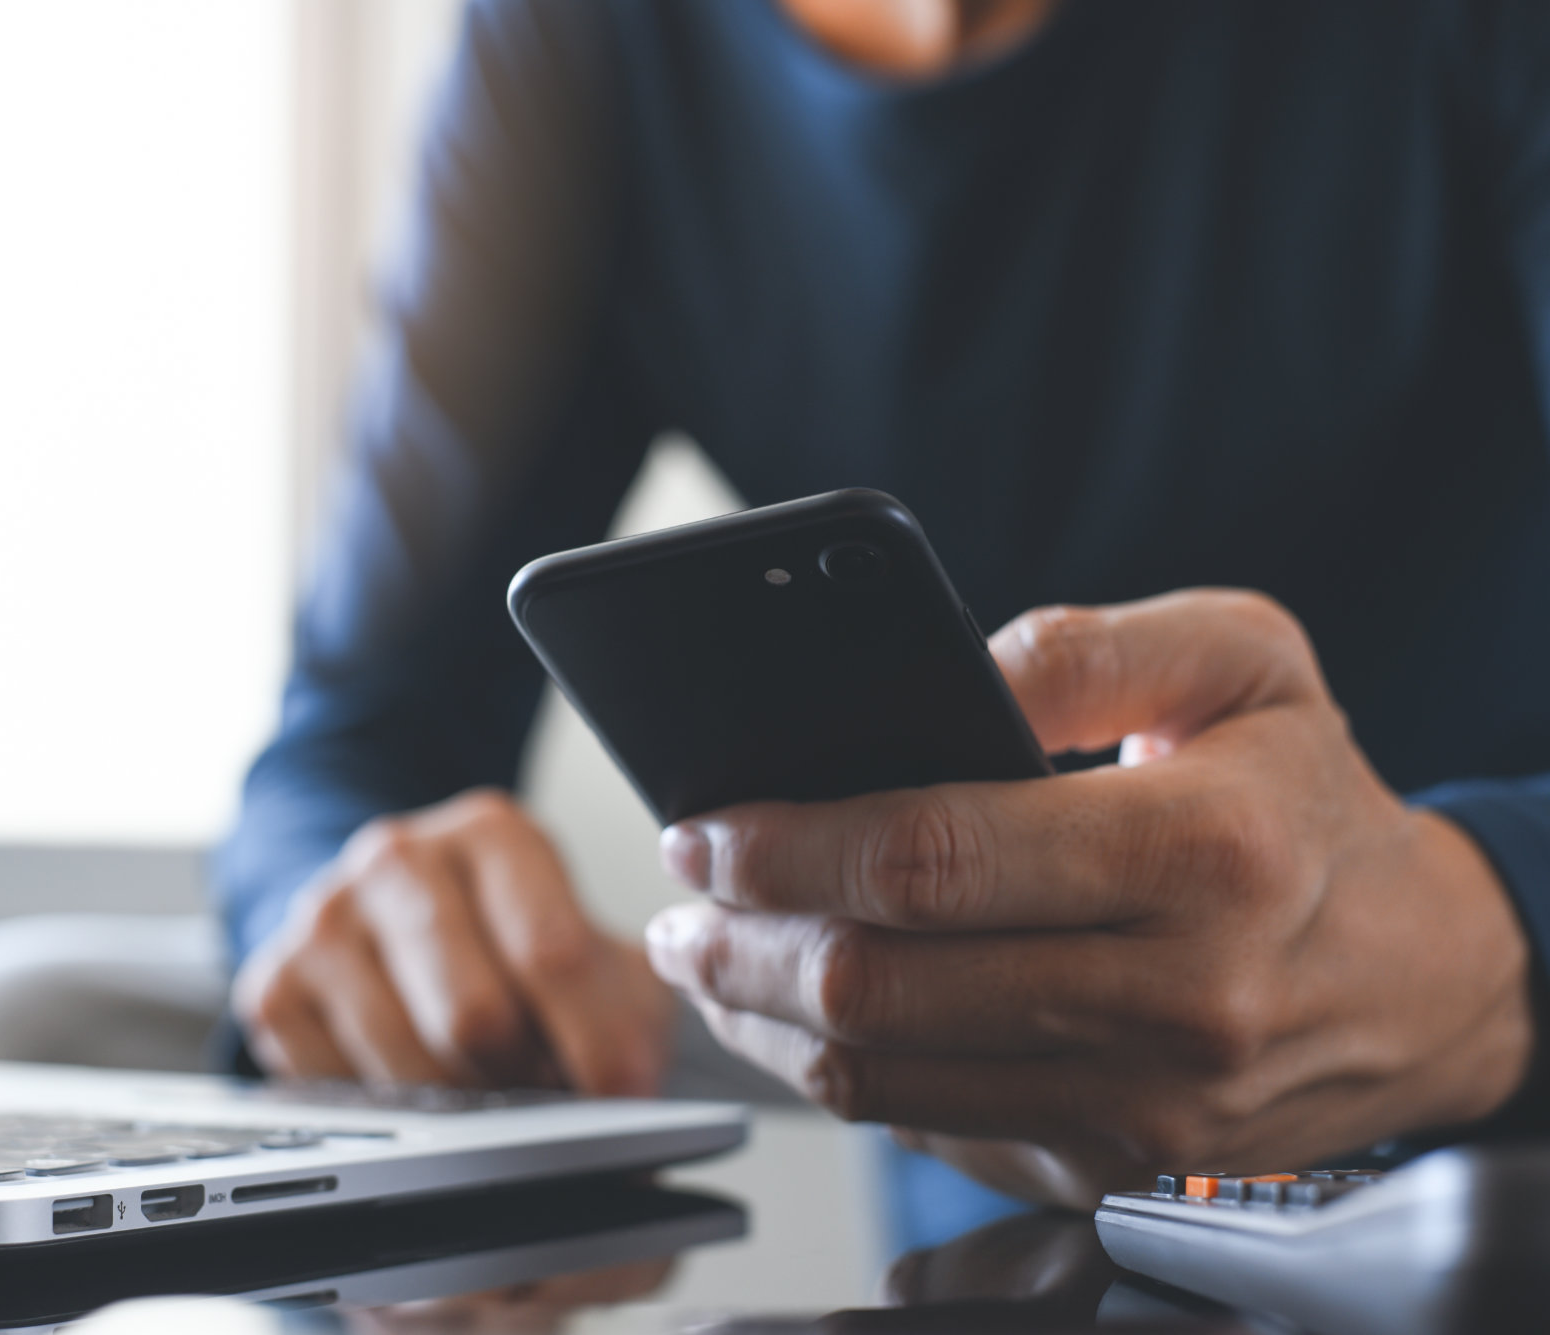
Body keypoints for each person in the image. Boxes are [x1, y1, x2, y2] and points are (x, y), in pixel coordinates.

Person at [221, 0, 1550, 1220]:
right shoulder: (582, 38)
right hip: (983, 1251)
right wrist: (363, 926)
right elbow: (350, 744)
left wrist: (1490, 940)